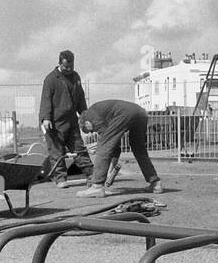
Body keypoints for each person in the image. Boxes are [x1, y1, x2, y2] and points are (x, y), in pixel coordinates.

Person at [77, 98, 163, 197]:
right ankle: (155, 183)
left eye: (90, 130)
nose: (93, 132)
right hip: (141, 112)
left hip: (126, 113)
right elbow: (114, 147)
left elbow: (106, 145)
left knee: (102, 147)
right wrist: (111, 172)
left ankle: (96, 186)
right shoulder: (100, 113)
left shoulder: (91, 115)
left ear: (87, 123)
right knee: (139, 149)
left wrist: (98, 177)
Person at [39, 49, 94, 187]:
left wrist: (85, 115)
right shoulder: (50, 79)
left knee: (79, 149)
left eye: (71, 66)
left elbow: (80, 98)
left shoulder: (75, 77)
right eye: (65, 67)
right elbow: (45, 100)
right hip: (54, 123)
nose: (69, 69)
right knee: (57, 152)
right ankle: (60, 179)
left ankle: (92, 175)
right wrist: (46, 118)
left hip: (71, 121)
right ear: (59, 63)